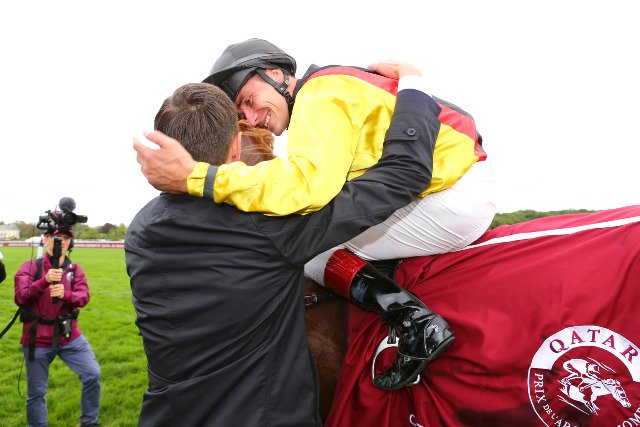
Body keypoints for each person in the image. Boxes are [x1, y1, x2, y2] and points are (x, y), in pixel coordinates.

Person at [134, 39, 496, 391]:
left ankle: (412, 319)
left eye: (248, 100)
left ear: (276, 74)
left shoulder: (318, 95)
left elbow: (307, 186)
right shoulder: (328, 87)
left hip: (452, 195)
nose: (251, 118)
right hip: (453, 185)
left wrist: (201, 177)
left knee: (312, 253)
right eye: (241, 114)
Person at [126, 70, 439, 425]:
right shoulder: (270, 226)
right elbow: (404, 174)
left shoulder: (140, 230)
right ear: (235, 146)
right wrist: (414, 86)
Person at [14, 226, 101, 427]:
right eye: (56, 237)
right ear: (46, 240)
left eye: (65, 238)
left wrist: (66, 294)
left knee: (92, 374)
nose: (60, 242)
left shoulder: (75, 270)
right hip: (37, 339)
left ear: (70, 243)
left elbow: (84, 297)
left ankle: (89, 422)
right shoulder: (30, 267)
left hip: (69, 335)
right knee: (36, 392)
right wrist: (44, 281)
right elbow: (20, 297)